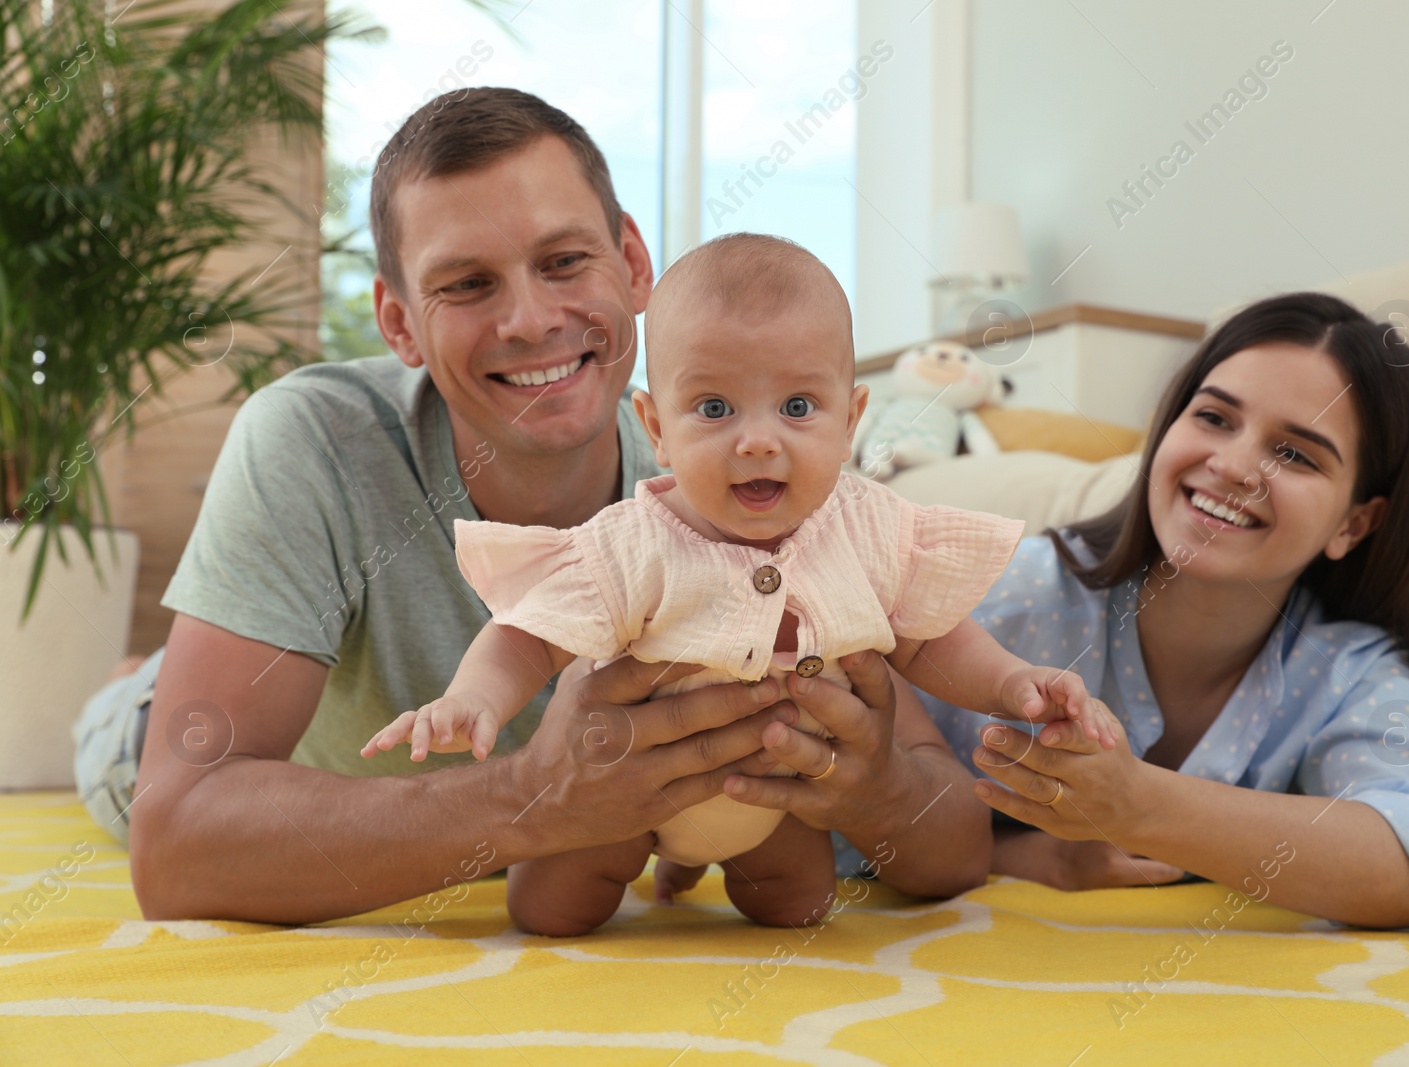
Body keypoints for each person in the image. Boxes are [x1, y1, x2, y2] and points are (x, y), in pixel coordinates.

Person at [72, 88, 991, 925]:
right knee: (141, 714)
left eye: (564, 260)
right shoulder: (310, 441)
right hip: (157, 741)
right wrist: (536, 798)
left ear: (633, 262)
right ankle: (142, 675)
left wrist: (870, 793)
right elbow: (176, 846)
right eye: (467, 284)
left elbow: (955, 841)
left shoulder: (749, 487)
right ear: (398, 325)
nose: (530, 320)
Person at [360, 233, 1114, 935]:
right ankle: (650, 862)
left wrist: (1016, 684)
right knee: (551, 909)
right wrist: (473, 699)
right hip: (629, 798)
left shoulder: (869, 528)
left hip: (779, 793)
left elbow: (933, 636)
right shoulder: (634, 540)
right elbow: (527, 631)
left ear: (849, 420)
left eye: (797, 407)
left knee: (799, 906)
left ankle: (725, 882)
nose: (758, 439)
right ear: (656, 426)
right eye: (714, 408)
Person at [923, 292, 1409, 932]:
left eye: (1295, 454)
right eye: (1215, 418)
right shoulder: (1009, 595)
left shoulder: (1347, 669)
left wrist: (1140, 804)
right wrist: (1037, 858)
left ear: (1355, 523)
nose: (1232, 466)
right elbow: (853, 813)